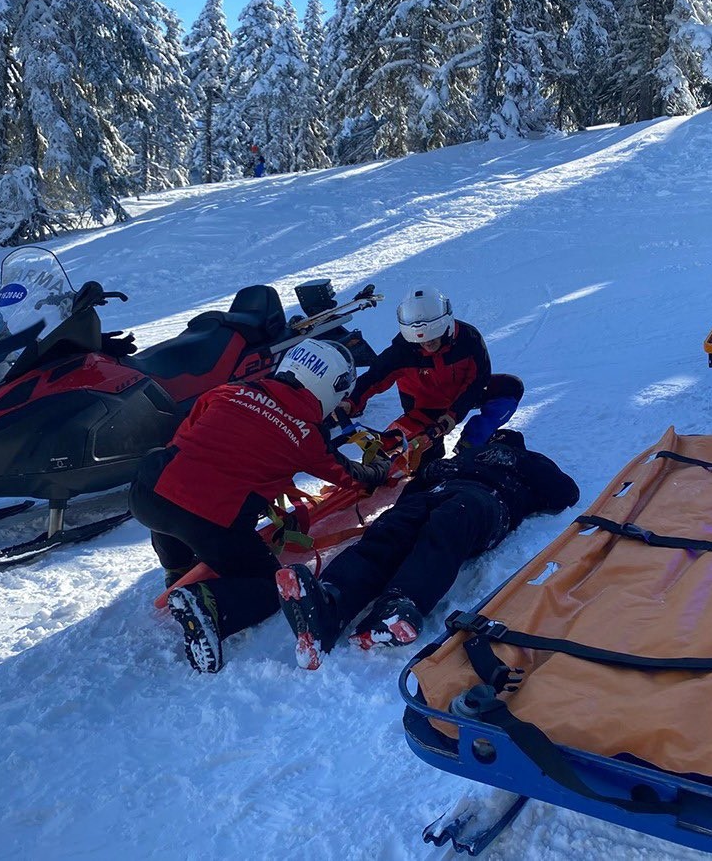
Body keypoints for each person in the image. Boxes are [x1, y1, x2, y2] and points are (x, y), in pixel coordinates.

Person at [129, 338, 390, 673]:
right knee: (269, 586)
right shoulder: (305, 434)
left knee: (175, 483)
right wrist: (379, 470)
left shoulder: (228, 391)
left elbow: (184, 440)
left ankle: (177, 569)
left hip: (147, 494)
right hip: (207, 518)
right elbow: (347, 475)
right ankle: (209, 603)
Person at [276, 429, 579, 670]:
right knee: (389, 532)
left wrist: (524, 471)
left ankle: (401, 604)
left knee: (447, 527)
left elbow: (565, 492)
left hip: (486, 499)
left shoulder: (526, 461)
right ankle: (330, 603)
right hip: (434, 492)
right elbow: (417, 484)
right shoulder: (463, 457)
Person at [337, 286, 523, 464]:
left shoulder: (469, 339)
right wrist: (350, 402)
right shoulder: (403, 350)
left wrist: (453, 415)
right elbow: (373, 378)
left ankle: (470, 443)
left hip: (461, 397)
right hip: (423, 411)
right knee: (408, 458)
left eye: (433, 339)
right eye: (422, 341)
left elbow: (477, 382)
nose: (427, 344)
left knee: (510, 387)